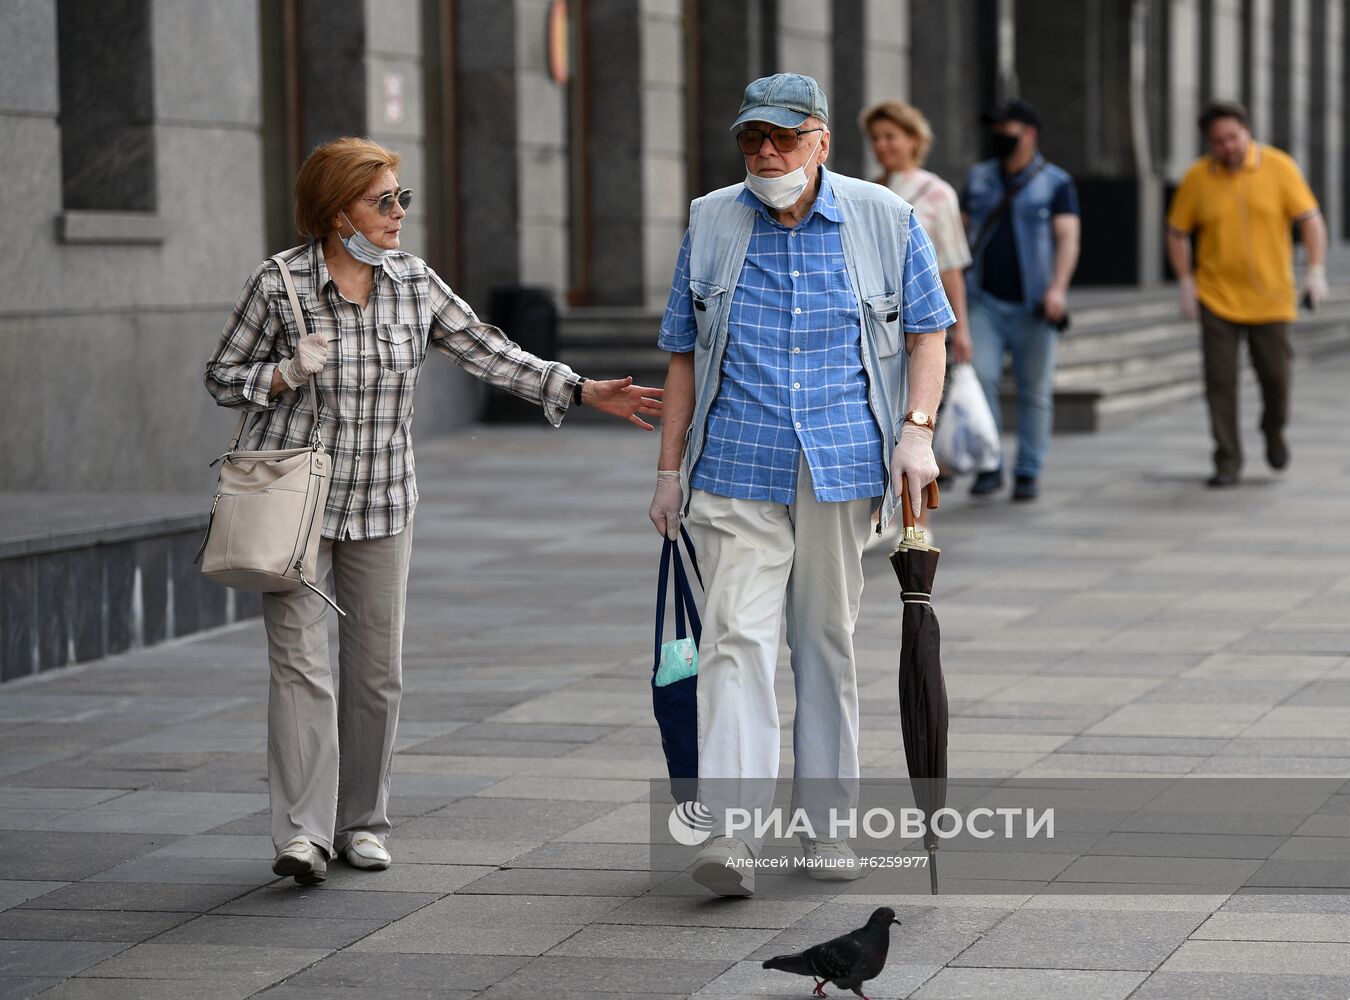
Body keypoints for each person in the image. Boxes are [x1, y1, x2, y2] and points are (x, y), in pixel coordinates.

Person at [204, 137, 662, 885]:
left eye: (400, 198)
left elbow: (486, 350)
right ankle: (302, 835)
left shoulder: (414, 284)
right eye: (382, 201)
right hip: (292, 505)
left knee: (376, 674)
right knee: (299, 667)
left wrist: (579, 389)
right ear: (334, 210)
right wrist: (284, 372)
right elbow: (222, 376)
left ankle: (361, 824)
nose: (397, 214)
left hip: (384, 500)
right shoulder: (278, 284)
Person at [648, 74, 952, 897]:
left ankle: (828, 831)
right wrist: (669, 472)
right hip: (735, 467)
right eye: (753, 139)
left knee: (822, 644)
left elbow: (929, 335)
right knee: (732, 643)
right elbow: (683, 352)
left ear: (821, 140)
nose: (766, 153)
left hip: (843, 467)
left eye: (783, 138)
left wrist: (918, 434)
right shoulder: (712, 219)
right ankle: (733, 840)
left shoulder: (884, 219)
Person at [1166, 100, 1327, 487]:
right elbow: (1177, 232)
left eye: (1233, 137)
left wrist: (1316, 272)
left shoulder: (1279, 167)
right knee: (1219, 383)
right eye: (1218, 141)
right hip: (1217, 298)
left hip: (1271, 298)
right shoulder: (1197, 178)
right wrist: (1186, 281)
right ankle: (1227, 459)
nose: (1228, 147)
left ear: (1247, 132)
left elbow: (1311, 220)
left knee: (1276, 380)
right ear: (1209, 142)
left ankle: (1273, 429)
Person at [863, 99, 973, 546]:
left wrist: (961, 328)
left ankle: (918, 523)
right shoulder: (867, 189)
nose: (883, 146)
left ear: (914, 139)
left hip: (922, 326)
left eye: (891, 136)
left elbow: (951, 267)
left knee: (916, 425)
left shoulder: (936, 193)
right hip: (874, 325)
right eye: (876, 138)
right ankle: (880, 513)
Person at [961, 99, 1080, 501]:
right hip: (984, 301)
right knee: (980, 377)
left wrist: (1057, 289)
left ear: (1029, 134)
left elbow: (1067, 239)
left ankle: (1028, 469)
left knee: (1034, 390)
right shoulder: (978, 178)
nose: (997, 138)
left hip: (1035, 305)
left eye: (1006, 130)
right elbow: (958, 234)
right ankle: (990, 463)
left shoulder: (1056, 182)